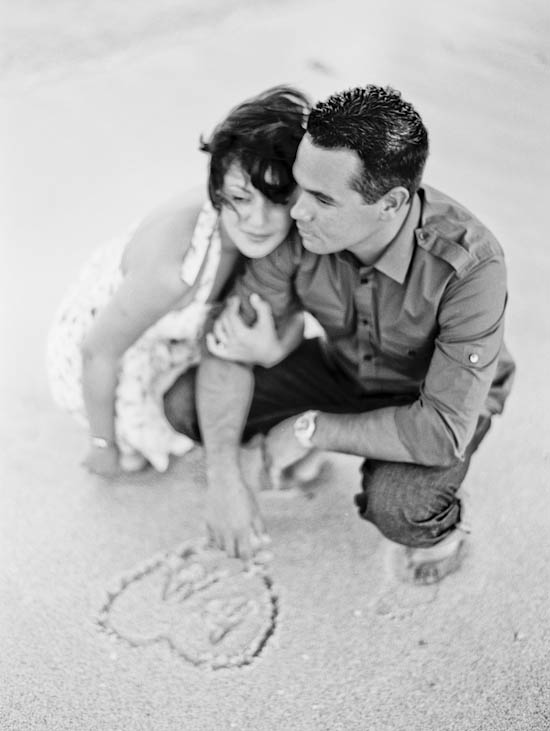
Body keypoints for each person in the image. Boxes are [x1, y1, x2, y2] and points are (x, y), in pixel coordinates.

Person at [163, 84, 516, 583]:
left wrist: (307, 429)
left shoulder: (471, 266)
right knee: (183, 403)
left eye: (322, 199)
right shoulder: (301, 229)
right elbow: (226, 350)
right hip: (341, 367)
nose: (297, 210)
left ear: (390, 203)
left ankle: (442, 531)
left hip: (429, 399)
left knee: (401, 508)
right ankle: (304, 450)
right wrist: (224, 478)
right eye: (298, 186)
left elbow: (439, 433)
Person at [46, 85, 310, 477]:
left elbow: (297, 320)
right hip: (103, 354)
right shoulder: (176, 267)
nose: (258, 220)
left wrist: (272, 350)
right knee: (140, 452)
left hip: (167, 340)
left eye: (277, 200)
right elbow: (97, 351)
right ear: (217, 185)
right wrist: (103, 445)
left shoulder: (289, 234)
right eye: (241, 197)